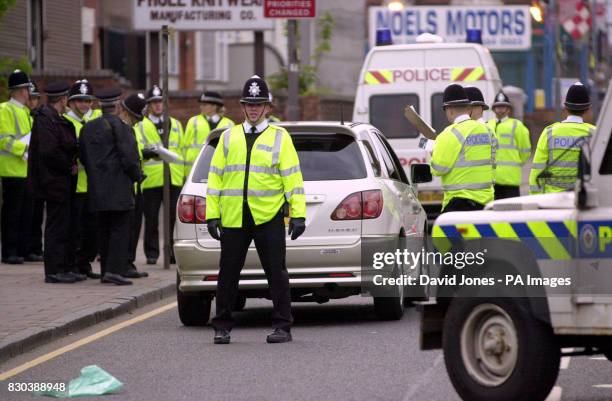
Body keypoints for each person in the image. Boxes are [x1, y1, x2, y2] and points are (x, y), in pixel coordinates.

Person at [207, 75, 306, 344]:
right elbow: (215, 177)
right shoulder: (228, 137)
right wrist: (212, 214)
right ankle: (222, 326)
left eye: (258, 104)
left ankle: (282, 326)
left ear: (267, 108)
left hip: (268, 215)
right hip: (234, 216)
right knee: (227, 274)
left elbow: (292, 178)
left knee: (276, 273)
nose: (253, 109)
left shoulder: (280, 137)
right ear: (242, 106)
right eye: (249, 104)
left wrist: (298, 214)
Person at [79, 89, 144, 285]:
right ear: (117, 106)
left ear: (99, 105)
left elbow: (82, 156)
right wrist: (137, 176)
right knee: (119, 230)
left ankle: (106, 269)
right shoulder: (123, 128)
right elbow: (130, 159)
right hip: (119, 188)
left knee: (103, 229)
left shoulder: (87, 128)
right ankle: (115, 271)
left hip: (96, 188)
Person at [28, 81, 81, 283]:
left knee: (63, 225)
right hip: (53, 182)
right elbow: (49, 151)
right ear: (63, 98)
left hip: (60, 182)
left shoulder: (53, 117)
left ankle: (63, 267)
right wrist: (69, 165)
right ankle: (54, 271)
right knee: (55, 226)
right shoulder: (45, 119)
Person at [133, 84, 185, 265]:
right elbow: (139, 148)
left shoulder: (176, 124)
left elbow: (182, 151)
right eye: (154, 103)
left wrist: (185, 176)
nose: (157, 106)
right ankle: (152, 254)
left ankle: (171, 253)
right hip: (151, 179)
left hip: (174, 177)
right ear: (148, 105)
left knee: (173, 219)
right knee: (152, 219)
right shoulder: (140, 125)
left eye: (160, 102)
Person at [430, 84, 494, 212]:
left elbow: (438, 169)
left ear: (450, 110)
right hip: (486, 203)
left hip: (458, 204)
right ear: (468, 108)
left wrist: (433, 151)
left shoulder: (448, 134)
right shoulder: (486, 130)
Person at [64, 79, 102, 278]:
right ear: (70, 102)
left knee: (91, 229)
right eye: (79, 100)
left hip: (92, 185)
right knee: (75, 229)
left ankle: (84, 265)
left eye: (87, 101)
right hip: (74, 186)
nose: (84, 104)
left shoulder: (92, 123)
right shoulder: (65, 122)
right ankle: (74, 265)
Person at [529, 82, 595, 194]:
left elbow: (537, 170)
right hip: (584, 199)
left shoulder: (549, 132)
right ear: (588, 108)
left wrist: (535, 200)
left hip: (552, 202)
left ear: (565, 107)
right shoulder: (594, 133)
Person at [0, 70, 33, 264]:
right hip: (11, 169)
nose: (29, 92)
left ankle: (21, 249)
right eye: (27, 88)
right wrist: (25, 149)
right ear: (22, 91)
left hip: (25, 169)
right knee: (12, 214)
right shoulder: (5, 109)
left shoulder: (25, 111)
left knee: (24, 213)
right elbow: (3, 139)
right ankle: (9, 252)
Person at [487, 91, 531, 199]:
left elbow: (525, 150)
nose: (500, 109)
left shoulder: (517, 126)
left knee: (511, 213)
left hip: (511, 180)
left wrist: (516, 163)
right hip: (491, 180)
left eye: (503, 106)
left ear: (508, 109)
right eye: (498, 106)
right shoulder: (487, 125)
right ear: (493, 109)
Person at [183, 91, 234, 177]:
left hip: (220, 169)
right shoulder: (193, 121)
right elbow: (185, 146)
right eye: (201, 104)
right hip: (195, 170)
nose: (201, 107)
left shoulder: (229, 124)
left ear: (214, 106)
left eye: (204, 104)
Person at [25, 81, 44, 262]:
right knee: (26, 213)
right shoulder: (25, 116)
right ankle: (28, 248)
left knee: (37, 212)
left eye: (35, 98)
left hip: (37, 172)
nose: (33, 102)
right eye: (30, 98)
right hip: (19, 170)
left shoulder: (39, 117)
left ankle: (36, 247)